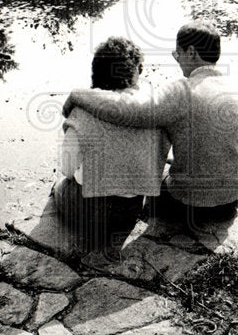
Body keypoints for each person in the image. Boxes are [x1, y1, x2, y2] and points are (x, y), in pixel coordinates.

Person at [63, 22, 238, 226]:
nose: (176, 60)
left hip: (191, 206)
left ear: (191, 53)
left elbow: (127, 109)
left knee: (150, 180)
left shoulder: (182, 91)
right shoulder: (236, 88)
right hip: (231, 200)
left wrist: (77, 95)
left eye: (177, 54)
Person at [54, 36, 170, 248]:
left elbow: (67, 170)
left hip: (91, 214)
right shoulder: (152, 108)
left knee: (60, 186)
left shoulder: (81, 112)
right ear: (136, 72)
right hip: (129, 212)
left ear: (97, 71)